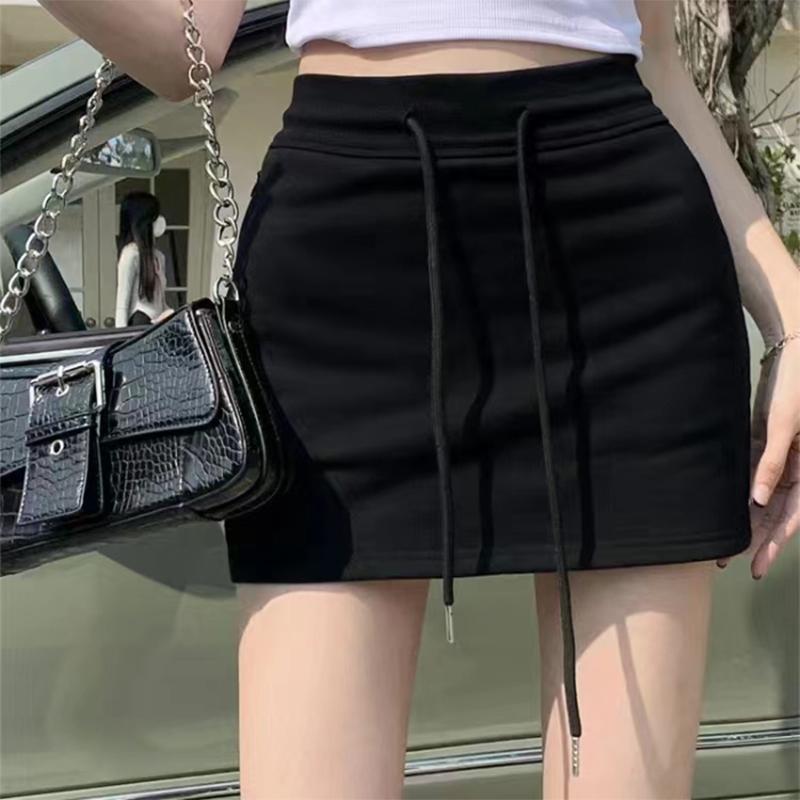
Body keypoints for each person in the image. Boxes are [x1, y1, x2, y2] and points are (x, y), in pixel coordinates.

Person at [38, 1, 800, 798]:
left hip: (624, 265)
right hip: (346, 268)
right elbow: (186, 44)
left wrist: (788, 317)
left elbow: (656, 58)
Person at [114, 191, 173, 327]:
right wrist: (121, 337)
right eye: (155, 216)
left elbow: (160, 302)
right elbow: (122, 305)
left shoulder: (159, 257)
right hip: (139, 324)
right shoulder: (130, 254)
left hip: (157, 326)